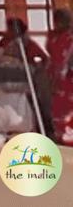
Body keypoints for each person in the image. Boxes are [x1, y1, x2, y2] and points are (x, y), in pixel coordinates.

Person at [47, 9, 73, 145]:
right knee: (58, 106)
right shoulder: (54, 36)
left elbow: (64, 58)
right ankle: (61, 134)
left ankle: (65, 134)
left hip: (66, 76)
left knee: (66, 107)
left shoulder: (68, 37)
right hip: (57, 74)